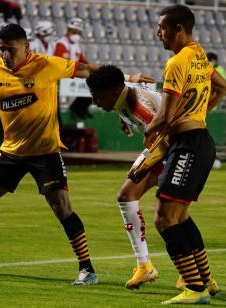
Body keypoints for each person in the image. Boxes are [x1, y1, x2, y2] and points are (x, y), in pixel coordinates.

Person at [0, 24, 152, 285]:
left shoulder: (45, 65)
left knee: (62, 208)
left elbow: (86, 70)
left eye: (10, 49)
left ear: (26, 47)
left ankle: (87, 269)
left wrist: (128, 77)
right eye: (1, 49)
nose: (5, 55)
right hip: (11, 151)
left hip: (45, 151)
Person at [146, 4, 226, 304]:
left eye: (162, 28)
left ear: (179, 29)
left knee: (164, 219)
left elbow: (165, 117)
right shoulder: (199, 55)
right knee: (179, 216)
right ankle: (206, 281)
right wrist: (197, 114)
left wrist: (148, 134)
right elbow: (223, 87)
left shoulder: (176, 63)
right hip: (201, 142)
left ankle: (193, 288)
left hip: (187, 146)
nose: (158, 33)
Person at [85, 65, 162, 289]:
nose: (95, 103)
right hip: (164, 146)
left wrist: (143, 165)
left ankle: (187, 271)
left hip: (173, 148)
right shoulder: (122, 93)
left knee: (169, 214)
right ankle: (145, 266)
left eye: (96, 97)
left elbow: (163, 136)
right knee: (129, 197)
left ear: (111, 92)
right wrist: (124, 119)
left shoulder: (138, 108)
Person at [54, 18, 92, 119]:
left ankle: (81, 109)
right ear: (69, 30)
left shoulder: (76, 45)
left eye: (79, 33)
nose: (77, 35)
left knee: (94, 79)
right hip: (63, 74)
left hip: (74, 73)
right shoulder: (61, 44)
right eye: (75, 32)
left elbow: (82, 60)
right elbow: (60, 64)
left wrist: (91, 68)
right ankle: (75, 110)